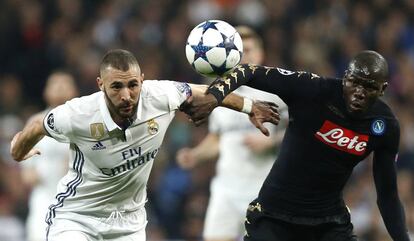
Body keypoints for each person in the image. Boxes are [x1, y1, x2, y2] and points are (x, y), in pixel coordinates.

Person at [9, 49, 279, 241]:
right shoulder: (78, 114)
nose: (126, 95)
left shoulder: (160, 95)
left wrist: (248, 105)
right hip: (77, 216)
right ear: (100, 85)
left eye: (133, 85)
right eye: (116, 87)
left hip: (128, 223)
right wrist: (18, 152)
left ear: (142, 80)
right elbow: (36, 126)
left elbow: (205, 92)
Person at [183, 50, 410, 241]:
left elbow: (388, 195)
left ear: (383, 89)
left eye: (369, 87)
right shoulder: (313, 90)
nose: (359, 93)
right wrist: (214, 97)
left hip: (329, 223)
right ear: (345, 77)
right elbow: (248, 70)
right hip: (273, 217)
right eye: (354, 82)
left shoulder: (385, 126)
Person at [176, 26, 287, 241]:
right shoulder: (220, 93)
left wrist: (272, 141)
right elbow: (219, 140)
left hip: (262, 189)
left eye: (249, 49)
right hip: (225, 189)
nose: (245, 55)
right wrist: (196, 155)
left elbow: (301, 129)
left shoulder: (277, 92)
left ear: (260, 53)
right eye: (240, 50)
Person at [21, 71, 78, 241]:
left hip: (74, 196)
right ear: (46, 92)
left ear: (74, 91)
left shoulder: (82, 121)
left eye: (65, 83)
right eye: (55, 84)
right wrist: (28, 172)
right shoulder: (35, 122)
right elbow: (24, 163)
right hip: (43, 194)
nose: (60, 88)